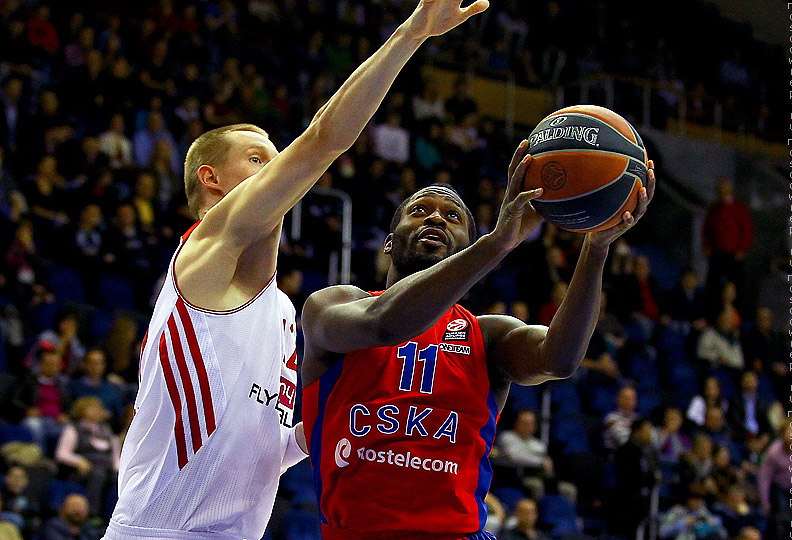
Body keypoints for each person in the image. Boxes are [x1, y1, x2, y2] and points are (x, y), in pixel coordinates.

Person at [105, 2, 491, 540]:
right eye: (259, 158)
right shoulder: (204, 251)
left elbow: (288, 437)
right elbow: (323, 141)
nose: (279, 164)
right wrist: (411, 33)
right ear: (213, 180)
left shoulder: (286, 313)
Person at [301, 139, 656, 538]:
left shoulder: (488, 335)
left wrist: (596, 248)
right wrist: (497, 242)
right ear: (389, 241)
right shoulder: (332, 306)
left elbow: (560, 359)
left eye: (452, 217)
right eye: (419, 211)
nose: (435, 218)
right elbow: (387, 324)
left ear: (463, 252)